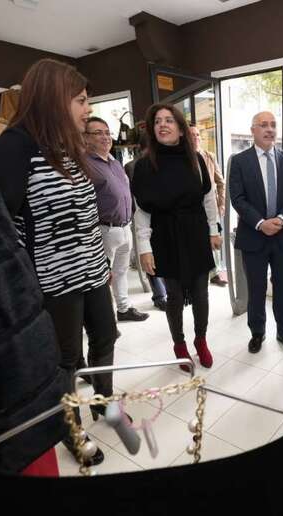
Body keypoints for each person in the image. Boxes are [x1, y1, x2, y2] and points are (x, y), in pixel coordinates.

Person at [0, 58, 120, 466]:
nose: (86, 109)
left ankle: (105, 405)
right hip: (53, 277)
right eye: (80, 100)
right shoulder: (16, 144)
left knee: (106, 338)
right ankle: (70, 428)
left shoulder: (67, 145)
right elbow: (0, 219)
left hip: (92, 267)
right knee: (66, 359)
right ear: (53, 97)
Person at [131, 104, 220, 370]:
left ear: (181, 129)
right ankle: (179, 344)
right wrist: (145, 249)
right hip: (165, 234)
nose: (163, 125)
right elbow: (142, 212)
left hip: (195, 232)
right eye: (158, 121)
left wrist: (213, 231)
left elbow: (208, 197)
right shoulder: (144, 166)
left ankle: (201, 340)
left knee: (202, 293)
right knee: (175, 297)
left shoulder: (196, 159)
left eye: (169, 120)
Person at [229, 111, 283, 354]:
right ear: (253, 130)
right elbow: (237, 198)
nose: (270, 129)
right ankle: (257, 333)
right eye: (264, 125)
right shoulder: (240, 161)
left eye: (273, 125)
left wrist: (281, 219)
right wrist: (261, 223)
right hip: (253, 236)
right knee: (256, 289)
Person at [83, 116, 150, 322]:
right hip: (103, 230)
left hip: (124, 227)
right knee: (102, 278)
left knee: (120, 272)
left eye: (107, 132)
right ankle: (102, 320)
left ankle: (123, 309)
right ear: (86, 138)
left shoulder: (114, 162)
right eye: (98, 133)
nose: (105, 137)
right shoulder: (85, 164)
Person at [125, 154, 168, 311]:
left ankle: (162, 293)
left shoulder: (162, 162)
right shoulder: (132, 166)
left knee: (157, 256)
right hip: (143, 216)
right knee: (149, 254)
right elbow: (132, 194)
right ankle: (159, 295)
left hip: (160, 218)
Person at [189, 124, 228, 287]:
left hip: (211, 206)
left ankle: (214, 273)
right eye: (192, 135)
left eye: (198, 135)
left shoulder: (209, 156)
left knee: (214, 239)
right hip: (192, 209)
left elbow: (221, 182)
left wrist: (222, 203)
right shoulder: (183, 158)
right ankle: (199, 273)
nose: (196, 138)